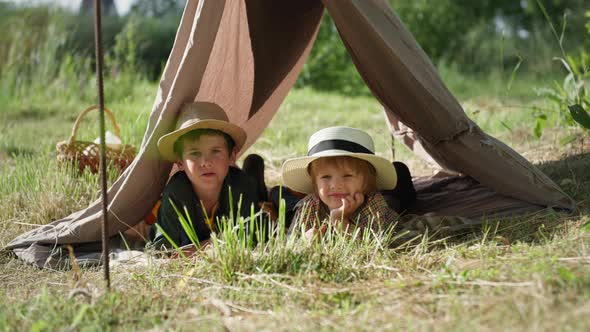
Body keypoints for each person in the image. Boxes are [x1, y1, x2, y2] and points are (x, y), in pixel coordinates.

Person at [148, 102, 262, 255]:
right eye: (195, 153)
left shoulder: (242, 186)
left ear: (232, 156)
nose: (206, 162)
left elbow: (251, 241)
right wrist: (216, 243)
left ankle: (255, 173)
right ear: (180, 162)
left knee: (257, 190)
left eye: (215, 151)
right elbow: (164, 253)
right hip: (197, 242)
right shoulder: (176, 193)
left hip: (246, 184)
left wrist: (198, 249)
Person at [281, 126, 401, 240]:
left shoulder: (374, 203)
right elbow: (291, 241)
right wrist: (305, 240)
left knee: (396, 192)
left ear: (367, 181)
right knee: (282, 196)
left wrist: (340, 221)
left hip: (389, 203)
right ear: (315, 184)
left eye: (347, 176)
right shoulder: (310, 204)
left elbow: (371, 245)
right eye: (326, 177)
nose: (336, 185)